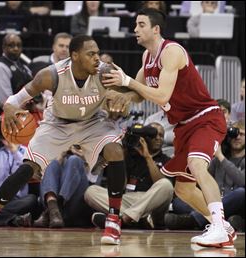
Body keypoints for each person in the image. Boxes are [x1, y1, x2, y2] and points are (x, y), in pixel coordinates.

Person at [0, 35, 137, 245]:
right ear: (74, 56)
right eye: (91, 54)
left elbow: (136, 93)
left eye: (98, 54)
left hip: (93, 122)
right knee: (27, 169)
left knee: (115, 150)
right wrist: (9, 108)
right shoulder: (50, 76)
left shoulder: (105, 72)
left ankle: (113, 221)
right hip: (58, 124)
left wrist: (126, 97)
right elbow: (14, 100)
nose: (96, 59)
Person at [101, 8, 236, 248]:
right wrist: (114, 92)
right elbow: (138, 95)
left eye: (141, 24)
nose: (135, 29)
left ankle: (218, 228)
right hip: (184, 125)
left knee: (196, 165)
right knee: (183, 189)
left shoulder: (171, 51)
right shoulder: (146, 58)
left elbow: (162, 96)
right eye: (135, 25)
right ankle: (224, 227)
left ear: (156, 29)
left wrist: (128, 82)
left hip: (205, 118)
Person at [85, 122, 173, 230]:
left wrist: (148, 157)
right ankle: (137, 220)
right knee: (91, 191)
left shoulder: (166, 160)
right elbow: (119, 187)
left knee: (166, 185)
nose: (158, 138)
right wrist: (123, 154)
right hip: (128, 200)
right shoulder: (131, 155)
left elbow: (161, 185)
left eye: (161, 135)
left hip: (151, 201)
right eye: (154, 135)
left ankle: (123, 219)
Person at [165, 119, 245, 232]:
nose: (237, 137)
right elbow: (202, 180)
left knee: (241, 193)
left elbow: (243, 181)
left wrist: (221, 157)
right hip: (214, 203)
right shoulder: (216, 160)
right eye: (235, 133)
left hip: (233, 203)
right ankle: (224, 222)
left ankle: (195, 220)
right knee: (179, 201)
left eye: (242, 134)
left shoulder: (221, 158)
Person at [35, 144, 93, 228]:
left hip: (77, 204)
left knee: (74, 160)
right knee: (51, 163)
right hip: (53, 206)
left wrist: (85, 159)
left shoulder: (94, 148)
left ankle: (54, 208)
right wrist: (60, 156)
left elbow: (94, 181)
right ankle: (53, 209)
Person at [0, 33, 32, 106]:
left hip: (27, 112)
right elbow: (6, 102)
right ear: (3, 47)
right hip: (8, 114)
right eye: (11, 45)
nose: (16, 48)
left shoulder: (24, 67)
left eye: (18, 45)